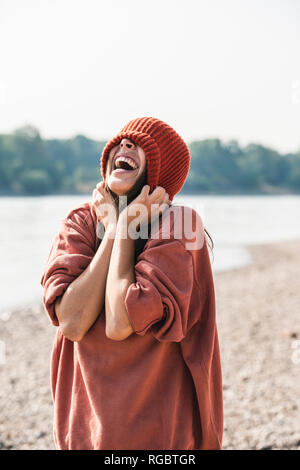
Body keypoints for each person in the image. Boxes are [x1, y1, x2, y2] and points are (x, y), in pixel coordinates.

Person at [40, 116, 223, 450]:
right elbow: (72, 321)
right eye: (120, 141)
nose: (124, 145)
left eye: (139, 145)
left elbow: (121, 323)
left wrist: (123, 226)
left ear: (161, 169)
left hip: (159, 433)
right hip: (85, 427)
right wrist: (113, 231)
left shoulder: (182, 225)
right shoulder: (81, 221)